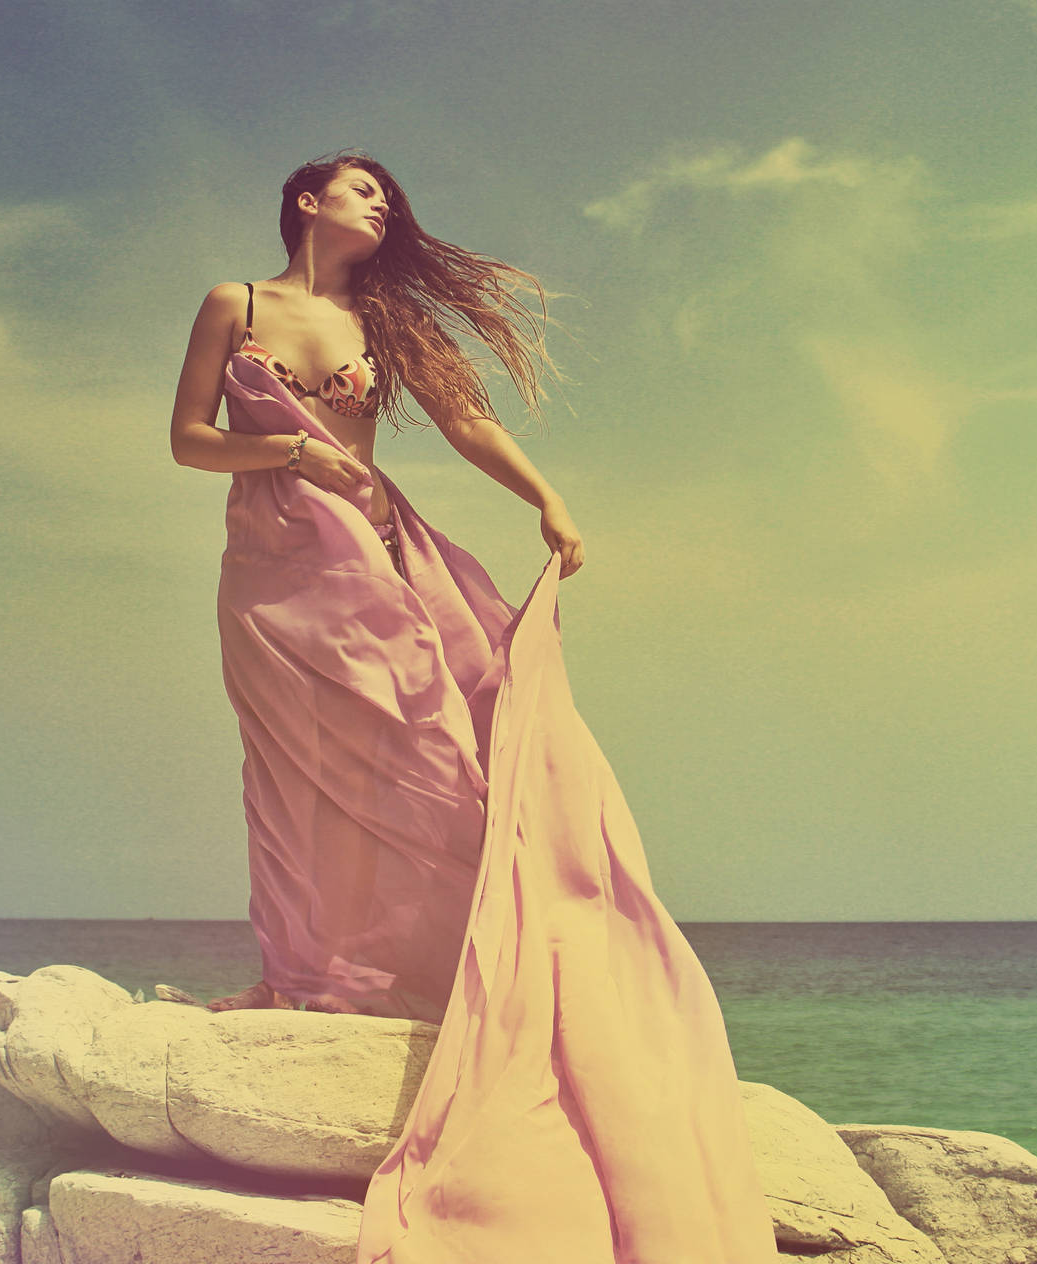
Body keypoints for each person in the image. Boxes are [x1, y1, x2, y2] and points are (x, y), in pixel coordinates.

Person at [167, 149, 780, 1259]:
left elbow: (463, 422)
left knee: (446, 731)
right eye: (364, 191)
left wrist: (549, 497)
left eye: (389, 198)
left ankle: (443, 962)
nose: (382, 206)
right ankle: (312, 970)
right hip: (272, 557)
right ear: (306, 202)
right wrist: (295, 452)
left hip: (372, 550)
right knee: (299, 766)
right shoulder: (236, 301)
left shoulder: (386, 324)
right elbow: (186, 440)